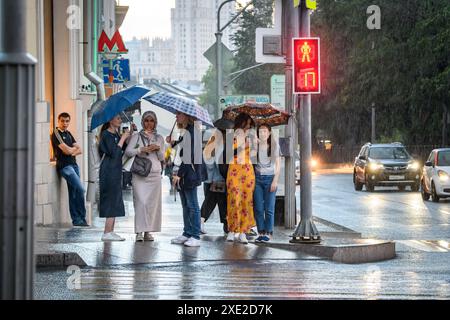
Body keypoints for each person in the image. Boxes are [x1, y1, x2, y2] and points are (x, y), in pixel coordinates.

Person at [125, 111, 165, 242]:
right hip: (140, 174)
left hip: (154, 174)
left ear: (155, 122)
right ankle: (139, 232)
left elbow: (162, 157)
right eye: (146, 120)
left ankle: (148, 231)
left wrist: (158, 149)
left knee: (152, 205)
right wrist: (141, 150)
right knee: (141, 202)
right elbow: (128, 152)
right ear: (142, 122)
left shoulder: (159, 138)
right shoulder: (136, 136)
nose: (149, 123)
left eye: (151, 120)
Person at [167, 112, 205, 247]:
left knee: (192, 205)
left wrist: (179, 174)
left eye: (179, 114)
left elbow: (189, 156)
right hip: (183, 172)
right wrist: (173, 143)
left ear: (187, 116)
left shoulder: (192, 131)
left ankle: (195, 235)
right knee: (185, 205)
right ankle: (187, 232)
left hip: (189, 173)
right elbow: (181, 150)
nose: (176, 116)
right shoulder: (186, 131)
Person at [51, 113, 88, 227]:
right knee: (81, 189)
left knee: (74, 192)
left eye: (67, 121)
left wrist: (71, 150)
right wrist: (72, 150)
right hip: (65, 167)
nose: (65, 123)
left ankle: (79, 220)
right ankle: (79, 218)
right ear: (58, 121)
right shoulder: (56, 133)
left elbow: (80, 150)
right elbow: (66, 151)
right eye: (62, 121)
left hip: (74, 165)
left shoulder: (68, 133)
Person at [98, 114, 131, 241]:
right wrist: (122, 138)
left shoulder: (115, 134)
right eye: (117, 118)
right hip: (108, 170)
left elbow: (122, 150)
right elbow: (114, 153)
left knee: (115, 198)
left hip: (115, 170)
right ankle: (107, 232)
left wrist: (128, 136)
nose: (120, 120)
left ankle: (111, 231)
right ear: (110, 120)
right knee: (111, 198)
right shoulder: (106, 135)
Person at [226, 113, 257, 244]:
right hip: (234, 170)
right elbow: (227, 154)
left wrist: (255, 144)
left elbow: (256, 154)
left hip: (247, 170)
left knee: (246, 201)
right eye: (247, 124)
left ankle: (244, 231)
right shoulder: (231, 135)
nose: (248, 127)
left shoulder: (251, 136)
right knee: (234, 199)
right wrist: (242, 147)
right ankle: (232, 230)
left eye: (250, 125)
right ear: (241, 123)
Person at [254, 124, 281, 243]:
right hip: (257, 180)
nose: (262, 134)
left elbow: (278, 166)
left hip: (270, 179)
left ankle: (269, 233)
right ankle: (261, 232)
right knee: (259, 208)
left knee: (269, 208)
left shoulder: (274, 146)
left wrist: (275, 180)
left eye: (265, 131)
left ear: (269, 133)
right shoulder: (256, 146)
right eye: (260, 131)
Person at [201, 130, 228, 235]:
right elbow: (218, 164)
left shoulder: (210, 145)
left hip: (209, 179)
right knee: (215, 202)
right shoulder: (220, 145)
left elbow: (208, 163)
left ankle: (226, 225)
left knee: (211, 201)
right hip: (218, 179)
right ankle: (226, 226)